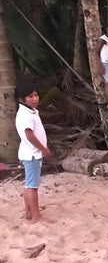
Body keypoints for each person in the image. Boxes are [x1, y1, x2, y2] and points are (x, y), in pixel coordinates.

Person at [15, 83, 53, 223]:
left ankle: (29, 212)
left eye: (36, 95)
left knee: (29, 184)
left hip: (30, 153)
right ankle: (37, 216)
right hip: (32, 154)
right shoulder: (26, 115)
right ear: (22, 99)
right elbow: (29, 135)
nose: (35, 98)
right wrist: (43, 149)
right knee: (33, 186)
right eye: (30, 96)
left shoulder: (30, 111)